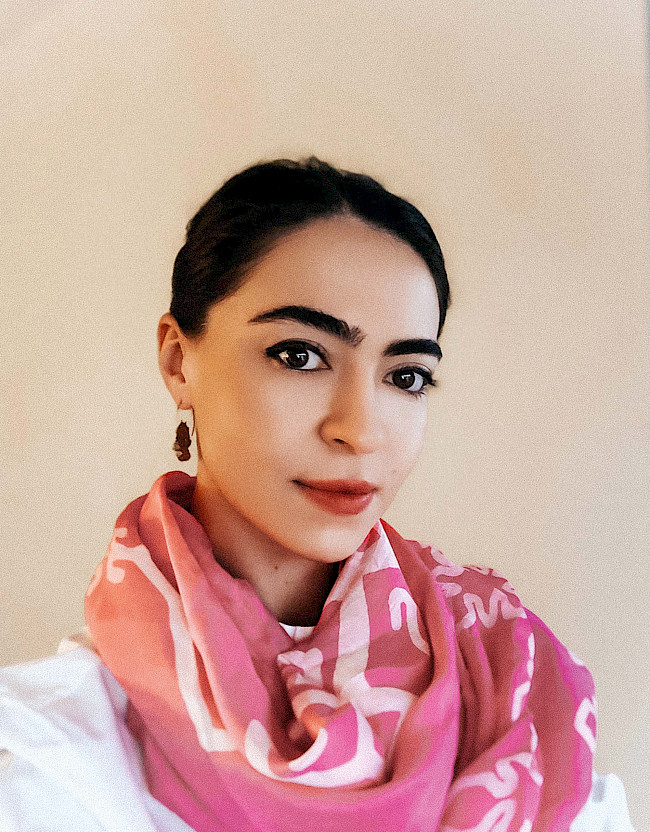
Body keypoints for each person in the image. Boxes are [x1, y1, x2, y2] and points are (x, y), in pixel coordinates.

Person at [0, 158, 636, 831]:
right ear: (178, 361)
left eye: (406, 376)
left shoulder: (515, 702)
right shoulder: (49, 759)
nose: (359, 430)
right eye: (299, 355)